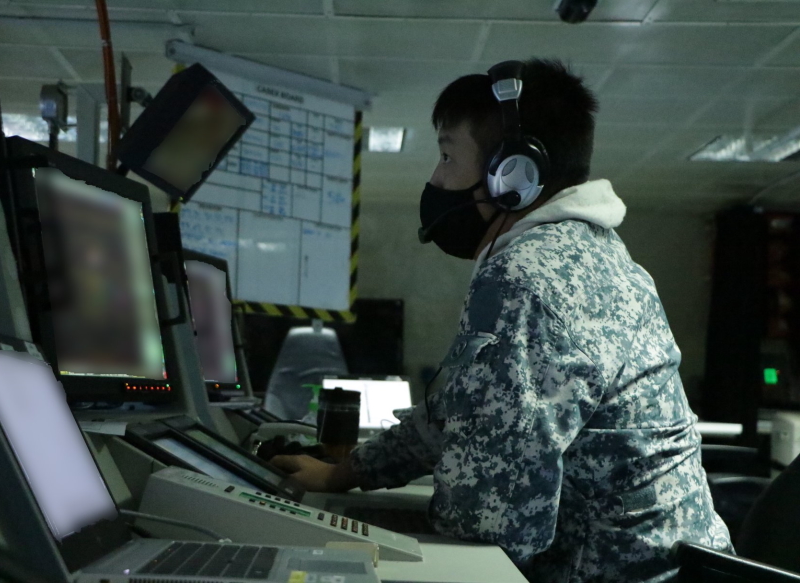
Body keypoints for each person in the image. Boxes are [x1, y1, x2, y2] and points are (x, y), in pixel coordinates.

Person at [271, 59, 732, 582]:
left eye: (447, 155)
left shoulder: (526, 279)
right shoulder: (596, 257)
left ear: (513, 175)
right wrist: (344, 473)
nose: (435, 178)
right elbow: (457, 410)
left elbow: (495, 523)